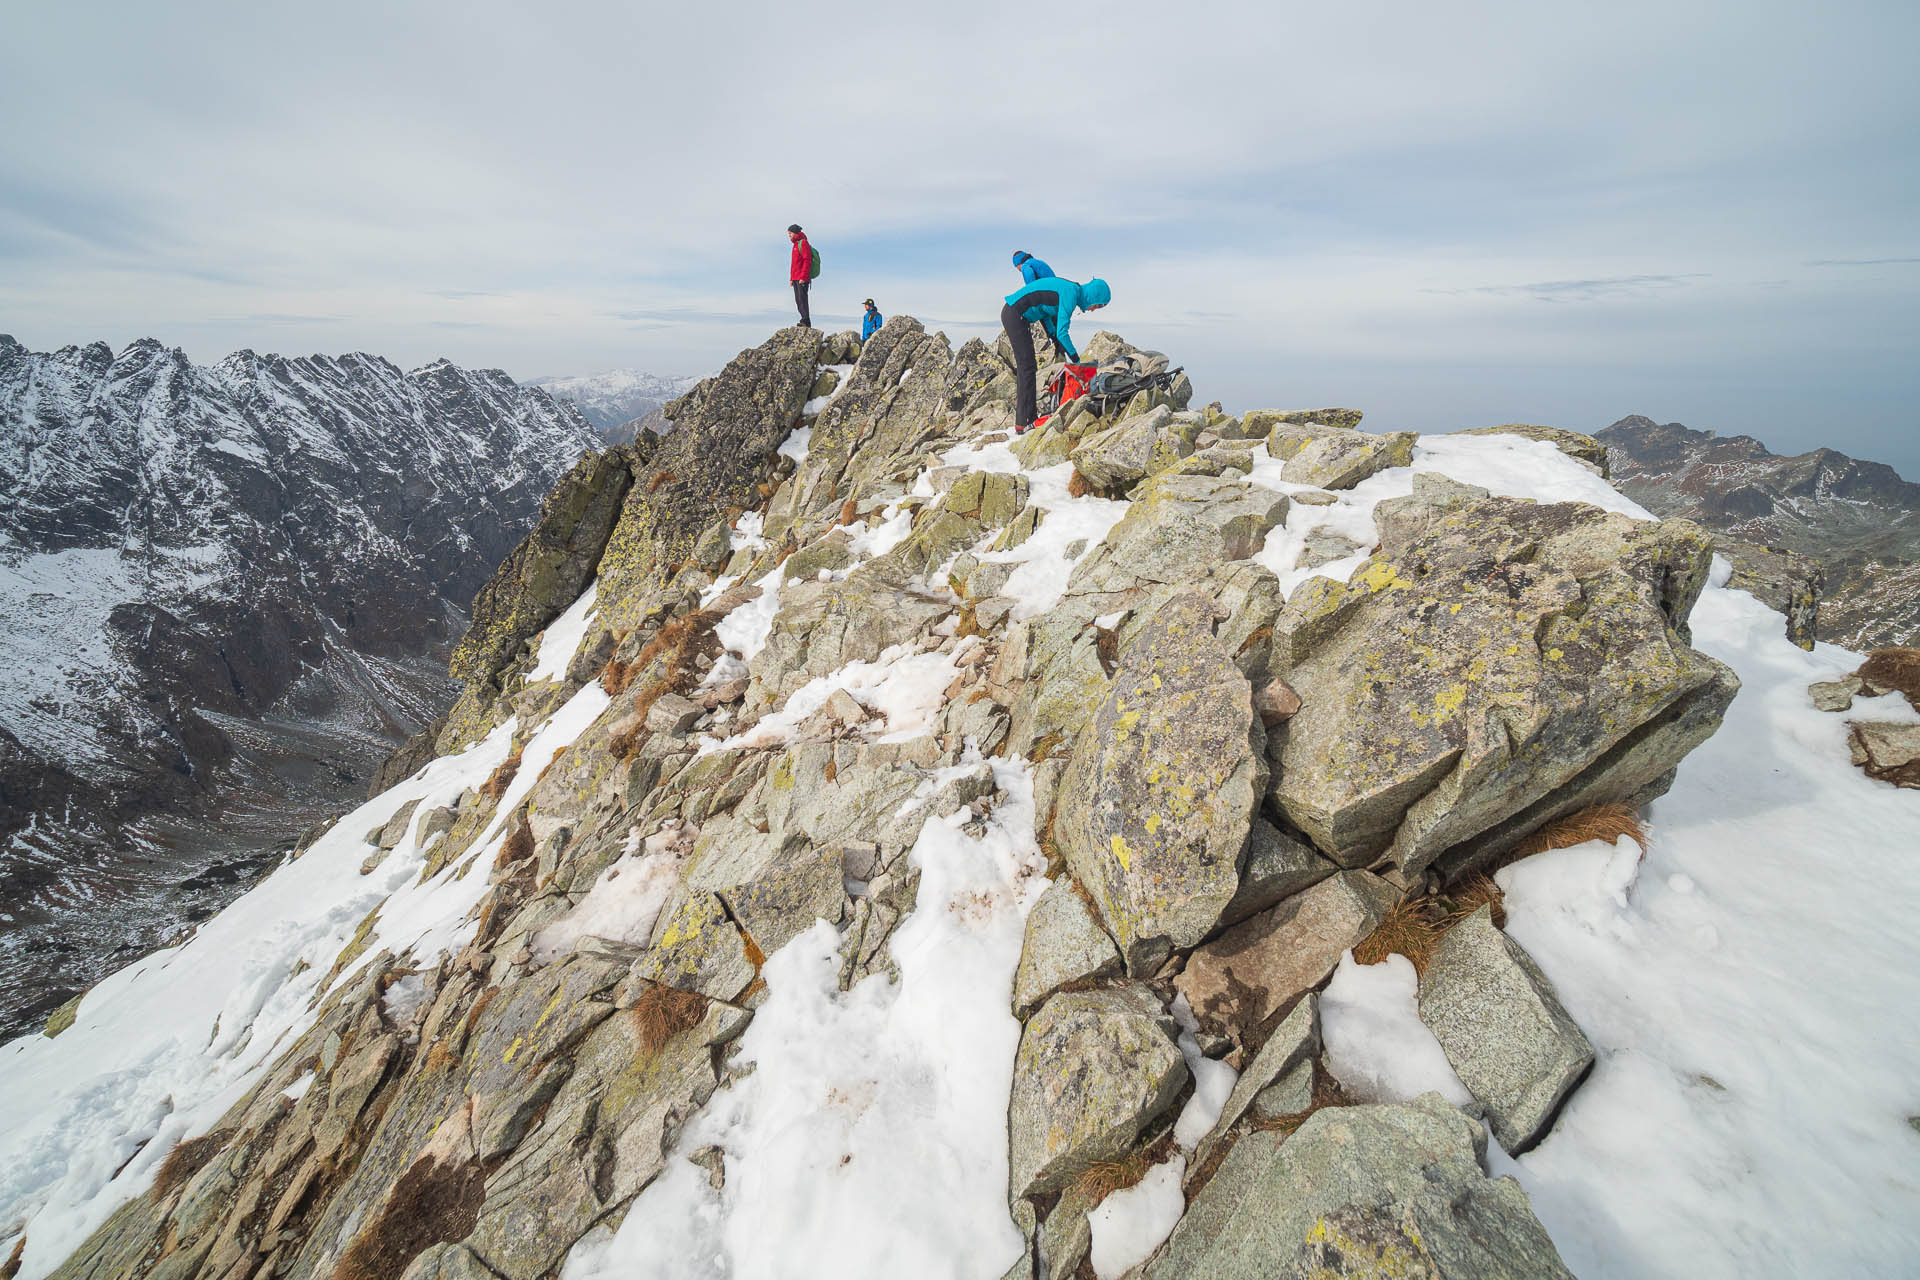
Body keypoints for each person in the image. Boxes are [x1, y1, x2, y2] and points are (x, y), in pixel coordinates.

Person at [1001, 274, 1110, 432]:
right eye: (1099, 305)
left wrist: (1054, 338)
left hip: (1017, 315)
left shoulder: (1071, 290)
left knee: (1028, 367)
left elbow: (1045, 313)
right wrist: (1076, 360)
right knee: (1027, 367)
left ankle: (1027, 419)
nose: (1094, 309)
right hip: (1014, 314)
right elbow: (1062, 333)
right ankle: (1024, 422)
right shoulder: (1071, 293)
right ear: (1094, 295)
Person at [788, 224, 812, 327]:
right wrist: (791, 278)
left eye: (790, 233)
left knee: (802, 299)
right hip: (796, 277)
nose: (789, 235)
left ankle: (806, 321)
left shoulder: (803, 243)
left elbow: (807, 260)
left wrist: (803, 276)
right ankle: (803, 319)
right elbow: (794, 264)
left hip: (802, 278)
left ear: (795, 233)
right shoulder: (795, 245)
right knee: (798, 300)